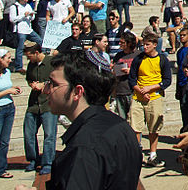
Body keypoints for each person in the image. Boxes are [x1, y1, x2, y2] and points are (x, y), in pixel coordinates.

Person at [41, 51, 142, 189]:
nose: (45, 90)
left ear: (77, 92)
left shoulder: (84, 147)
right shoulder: (120, 125)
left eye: (53, 84)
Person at [128, 31, 171, 167]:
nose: (144, 47)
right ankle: (137, 152)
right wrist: (140, 90)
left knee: (154, 127)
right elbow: (132, 78)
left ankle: (153, 154)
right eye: (143, 44)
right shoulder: (138, 59)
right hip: (138, 97)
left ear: (154, 45)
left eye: (147, 45)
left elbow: (167, 80)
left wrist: (151, 88)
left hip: (155, 97)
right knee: (135, 126)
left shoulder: (162, 59)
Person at [23, 42, 56, 175]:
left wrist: (44, 85)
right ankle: (33, 159)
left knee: (49, 135)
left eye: (29, 56)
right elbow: (28, 79)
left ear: (37, 53)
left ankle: (47, 162)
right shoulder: (31, 65)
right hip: (34, 104)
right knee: (29, 133)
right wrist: (32, 84)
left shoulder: (51, 62)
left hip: (48, 104)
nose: (28, 59)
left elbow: (60, 79)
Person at [0, 48, 21, 178]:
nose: (10, 60)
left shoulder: (7, 72)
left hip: (9, 108)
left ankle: (1, 169)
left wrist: (13, 89)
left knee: (4, 142)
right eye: (7, 58)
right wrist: (7, 91)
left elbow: (6, 88)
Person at [10, 0, 41, 73]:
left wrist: (31, 16)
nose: (26, 1)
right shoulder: (14, 7)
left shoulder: (27, 5)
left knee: (40, 41)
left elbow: (32, 18)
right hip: (20, 29)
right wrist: (24, 15)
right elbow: (12, 19)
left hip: (29, 29)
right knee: (20, 48)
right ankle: (18, 67)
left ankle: (39, 60)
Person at [111, 32, 139, 122]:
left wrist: (131, 71)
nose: (120, 44)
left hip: (133, 91)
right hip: (120, 90)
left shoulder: (138, 55)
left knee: (134, 121)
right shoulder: (118, 55)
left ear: (129, 43)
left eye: (122, 42)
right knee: (121, 121)